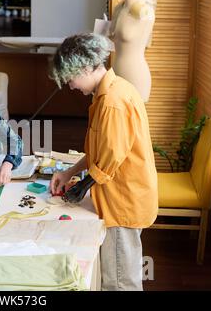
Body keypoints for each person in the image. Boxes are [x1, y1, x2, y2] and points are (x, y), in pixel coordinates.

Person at [50, 33, 158, 290]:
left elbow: (108, 163)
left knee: (120, 282)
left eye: (71, 78)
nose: (71, 86)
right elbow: (99, 151)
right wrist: (69, 174)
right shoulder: (108, 92)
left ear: (87, 68)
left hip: (122, 201)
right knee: (115, 274)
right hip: (118, 196)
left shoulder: (112, 102)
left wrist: (82, 185)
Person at [109, 0, 155, 102]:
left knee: (134, 117)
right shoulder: (118, 9)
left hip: (135, 75)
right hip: (116, 72)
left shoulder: (144, 11)